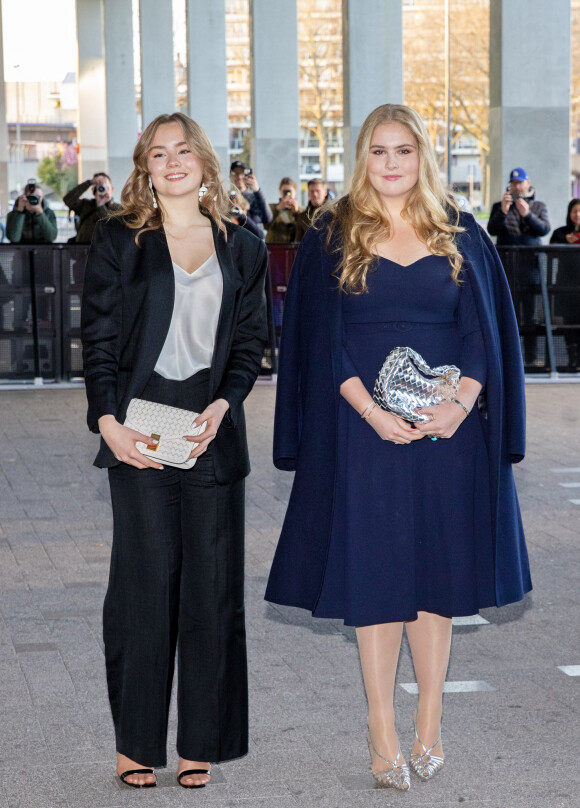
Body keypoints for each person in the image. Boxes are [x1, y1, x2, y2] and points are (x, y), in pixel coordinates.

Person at [265, 104, 530, 791]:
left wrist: (460, 403)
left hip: (448, 435)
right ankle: (382, 729)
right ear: (363, 158)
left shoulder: (461, 230)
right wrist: (370, 412)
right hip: (363, 436)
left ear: (423, 157)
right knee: (376, 580)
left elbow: (485, 332)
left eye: (404, 150)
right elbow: (323, 341)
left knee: (435, 583)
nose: (390, 163)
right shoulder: (333, 233)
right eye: (378, 151)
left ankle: (430, 723)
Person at [81, 112, 268, 789]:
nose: (172, 161)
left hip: (210, 433)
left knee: (213, 593)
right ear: (145, 168)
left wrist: (224, 406)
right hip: (137, 430)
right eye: (158, 154)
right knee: (143, 588)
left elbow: (249, 346)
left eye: (183, 150)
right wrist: (107, 422)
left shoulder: (242, 247)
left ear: (205, 161)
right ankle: (137, 743)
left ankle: (201, 742)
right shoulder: (118, 243)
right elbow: (99, 341)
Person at [487, 168, 550, 366]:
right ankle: (508, 358)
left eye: (520, 182)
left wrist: (528, 214)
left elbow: (544, 229)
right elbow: (492, 230)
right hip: (506, 269)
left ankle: (532, 357)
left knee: (530, 314)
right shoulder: (500, 205)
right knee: (507, 313)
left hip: (531, 269)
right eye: (513, 183)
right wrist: (504, 211)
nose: (516, 186)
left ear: (527, 183)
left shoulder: (538, 206)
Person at [549, 198, 580, 369]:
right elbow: (551, 247)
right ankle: (572, 359)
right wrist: (565, 242)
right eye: (575, 211)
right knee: (568, 324)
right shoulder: (560, 233)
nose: (578, 215)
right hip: (565, 288)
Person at [64, 173, 122, 243]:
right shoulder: (85, 205)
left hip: (105, 251)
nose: (102, 189)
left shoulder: (118, 209)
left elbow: (110, 226)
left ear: (111, 189)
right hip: (83, 248)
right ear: (93, 190)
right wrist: (89, 183)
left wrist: (101, 206)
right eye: (98, 187)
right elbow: (68, 200)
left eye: (105, 187)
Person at [230, 160, 272, 234]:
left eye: (242, 173)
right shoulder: (227, 197)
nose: (239, 176)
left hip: (253, 241)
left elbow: (267, 218)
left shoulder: (254, 197)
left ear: (247, 175)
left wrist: (257, 191)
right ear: (230, 176)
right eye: (235, 173)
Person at [265, 177, 303, 244]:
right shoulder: (271, 208)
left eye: (289, 192)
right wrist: (277, 209)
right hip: (275, 246)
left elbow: (304, 229)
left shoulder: (301, 211)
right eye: (285, 192)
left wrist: (296, 213)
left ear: (295, 191)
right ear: (280, 191)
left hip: (294, 248)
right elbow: (265, 226)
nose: (287, 195)